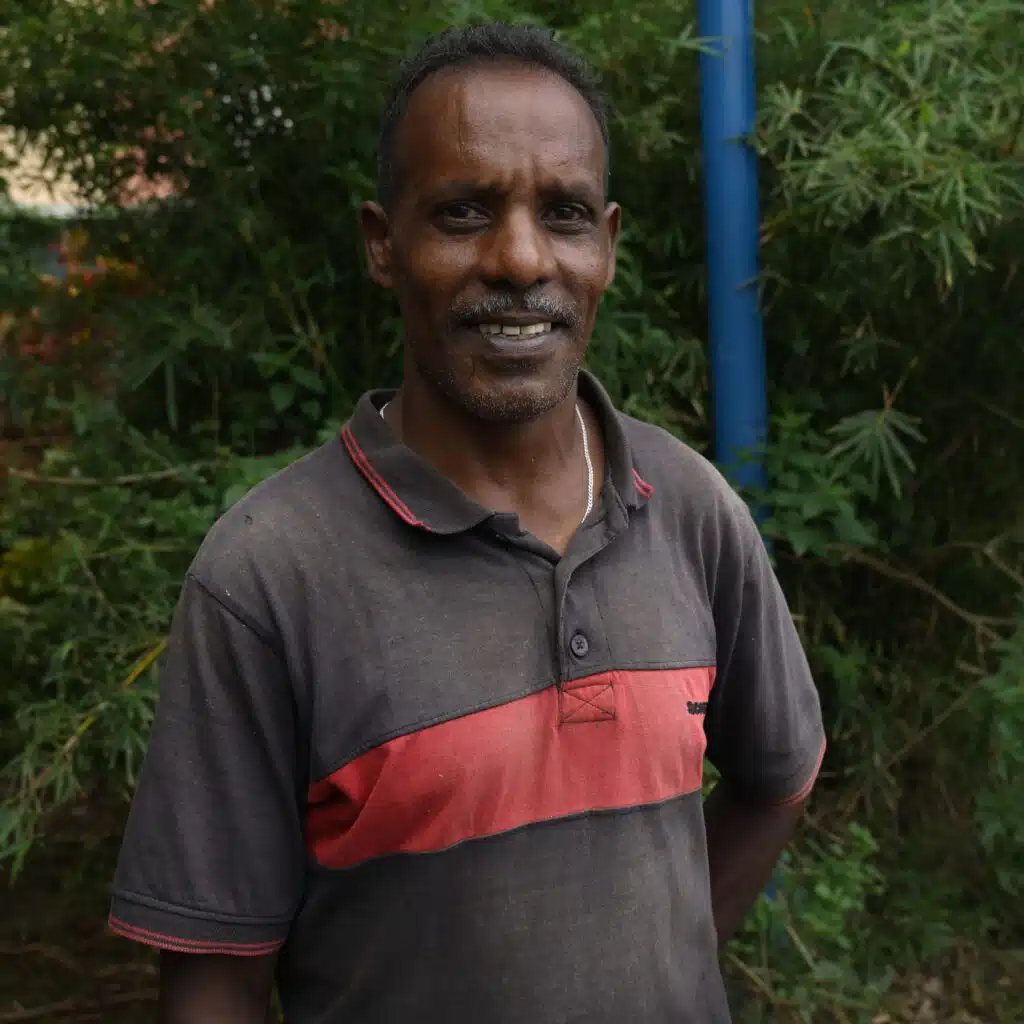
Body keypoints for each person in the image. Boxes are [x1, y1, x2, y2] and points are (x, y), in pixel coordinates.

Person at [109, 22, 826, 1024]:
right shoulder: (269, 575)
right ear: (382, 244)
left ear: (607, 247)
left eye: (564, 213)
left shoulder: (690, 509)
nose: (521, 257)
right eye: (462, 212)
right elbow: (214, 978)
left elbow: (778, 776)